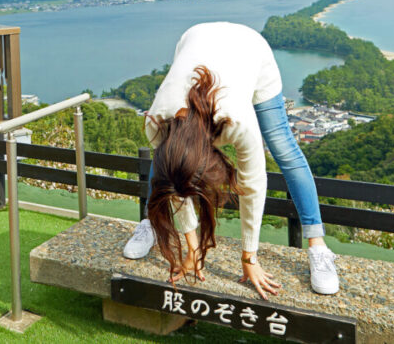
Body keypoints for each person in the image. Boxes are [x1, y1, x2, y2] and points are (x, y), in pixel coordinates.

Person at [122, 22, 339, 299]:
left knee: (283, 148)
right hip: (195, 39)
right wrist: (192, 248)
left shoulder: (237, 122)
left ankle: (318, 246)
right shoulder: (156, 121)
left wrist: (250, 258)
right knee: (169, 161)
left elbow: (253, 186)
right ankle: (151, 223)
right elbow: (176, 182)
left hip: (250, 49)